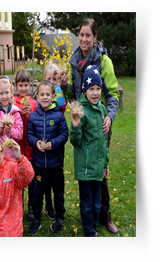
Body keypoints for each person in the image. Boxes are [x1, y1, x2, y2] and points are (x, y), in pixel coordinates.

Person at [62, 18, 119, 234]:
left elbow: (112, 94)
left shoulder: (103, 61)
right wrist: (65, 86)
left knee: (100, 171)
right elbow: (74, 94)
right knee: (87, 166)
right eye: (81, 35)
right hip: (81, 120)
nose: (84, 39)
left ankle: (104, 216)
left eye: (88, 35)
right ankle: (91, 214)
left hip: (100, 120)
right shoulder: (74, 60)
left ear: (95, 37)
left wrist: (110, 117)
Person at [69, 65, 109, 237]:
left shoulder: (102, 109)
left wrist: (106, 163)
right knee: (86, 203)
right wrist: (76, 126)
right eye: (91, 88)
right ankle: (88, 231)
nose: (95, 93)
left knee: (97, 202)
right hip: (85, 168)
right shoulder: (81, 110)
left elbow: (103, 141)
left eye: (98, 88)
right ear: (84, 90)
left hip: (98, 166)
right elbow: (75, 141)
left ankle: (93, 225)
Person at [27, 80, 68, 235]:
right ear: (37, 97)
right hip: (39, 165)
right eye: (42, 94)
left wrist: (53, 143)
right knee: (38, 194)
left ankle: (60, 217)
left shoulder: (58, 115)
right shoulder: (32, 117)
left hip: (55, 165)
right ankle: (36, 219)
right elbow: (29, 135)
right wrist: (35, 142)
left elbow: (64, 135)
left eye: (48, 94)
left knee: (58, 192)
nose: (45, 97)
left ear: (53, 97)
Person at [0, 135, 34, 237]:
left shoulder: (13, 167)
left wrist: (19, 157)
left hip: (12, 220)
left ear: (3, 152)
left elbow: (28, 177)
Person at [13, 68, 38, 220]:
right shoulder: (13, 103)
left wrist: (31, 114)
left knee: (33, 181)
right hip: (18, 152)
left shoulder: (34, 103)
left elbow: (36, 124)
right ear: (16, 86)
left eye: (26, 85)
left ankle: (32, 206)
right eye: (20, 85)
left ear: (30, 86)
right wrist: (21, 115)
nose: (23, 88)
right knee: (19, 181)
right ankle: (19, 206)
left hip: (31, 151)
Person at [0, 76, 23, 160]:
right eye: (1, 93)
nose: (4, 96)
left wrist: (10, 130)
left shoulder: (15, 112)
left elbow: (20, 135)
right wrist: (0, 130)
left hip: (13, 156)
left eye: (7, 92)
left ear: (11, 93)